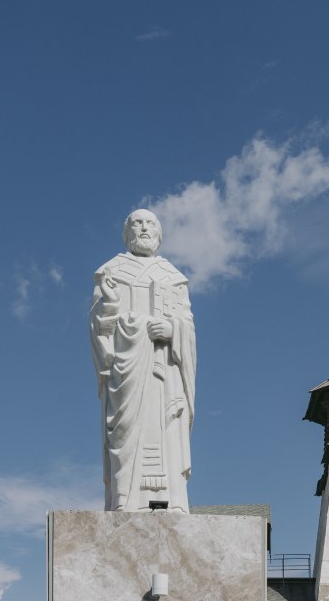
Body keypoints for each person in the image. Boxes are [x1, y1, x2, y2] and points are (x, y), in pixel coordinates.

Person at [89, 209, 196, 513]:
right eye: (137, 223)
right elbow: (98, 328)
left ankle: (174, 502)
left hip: (165, 373)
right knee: (124, 431)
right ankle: (124, 500)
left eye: (150, 223)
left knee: (168, 429)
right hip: (128, 371)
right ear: (127, 233)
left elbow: (188, 326)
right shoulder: (111, 272)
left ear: (159, 234)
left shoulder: (173, 277)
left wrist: (173, 330)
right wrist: (110, 304)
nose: (144, 228)